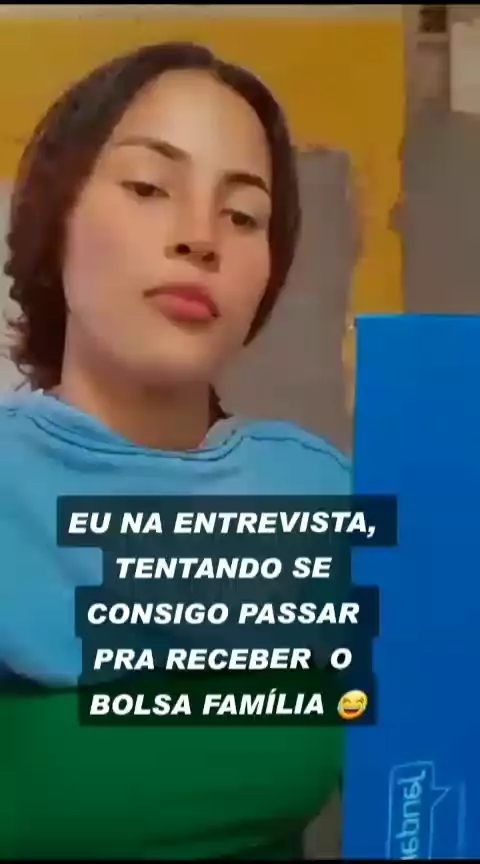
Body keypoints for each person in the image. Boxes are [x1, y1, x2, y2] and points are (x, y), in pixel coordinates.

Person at [0, 42, 350, 860]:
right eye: (149, 187)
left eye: (244, 216)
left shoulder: (320, 493)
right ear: (57, 220)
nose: (201, 238)